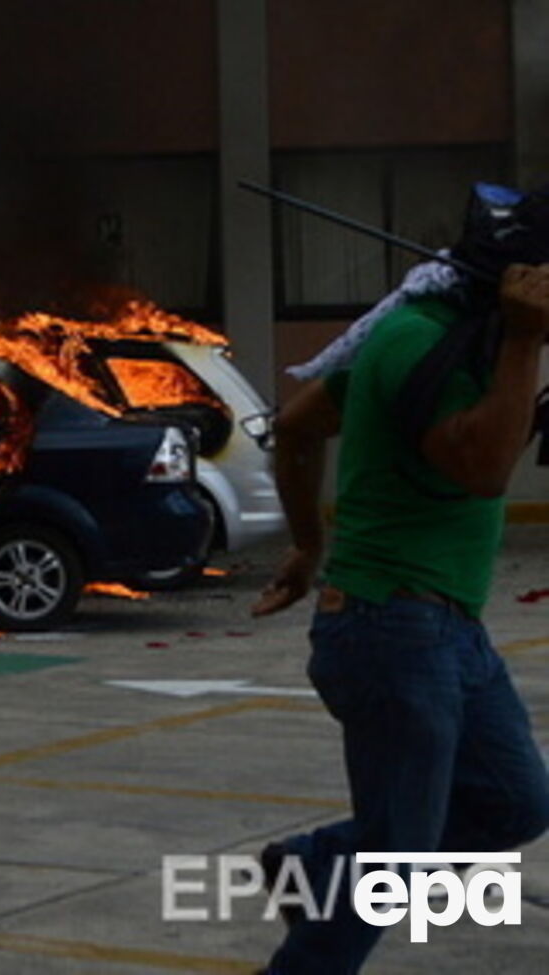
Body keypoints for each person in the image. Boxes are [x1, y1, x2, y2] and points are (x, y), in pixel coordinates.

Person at [250, 187, 549, 973]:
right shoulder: (421, 341)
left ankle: (317, 862)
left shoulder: (454, 343)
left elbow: (297, 424)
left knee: (516, 801)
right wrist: (525, 342)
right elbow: (485, 467)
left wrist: (307, 548)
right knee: (397, 868)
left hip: (449, 629)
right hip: (391, 628)